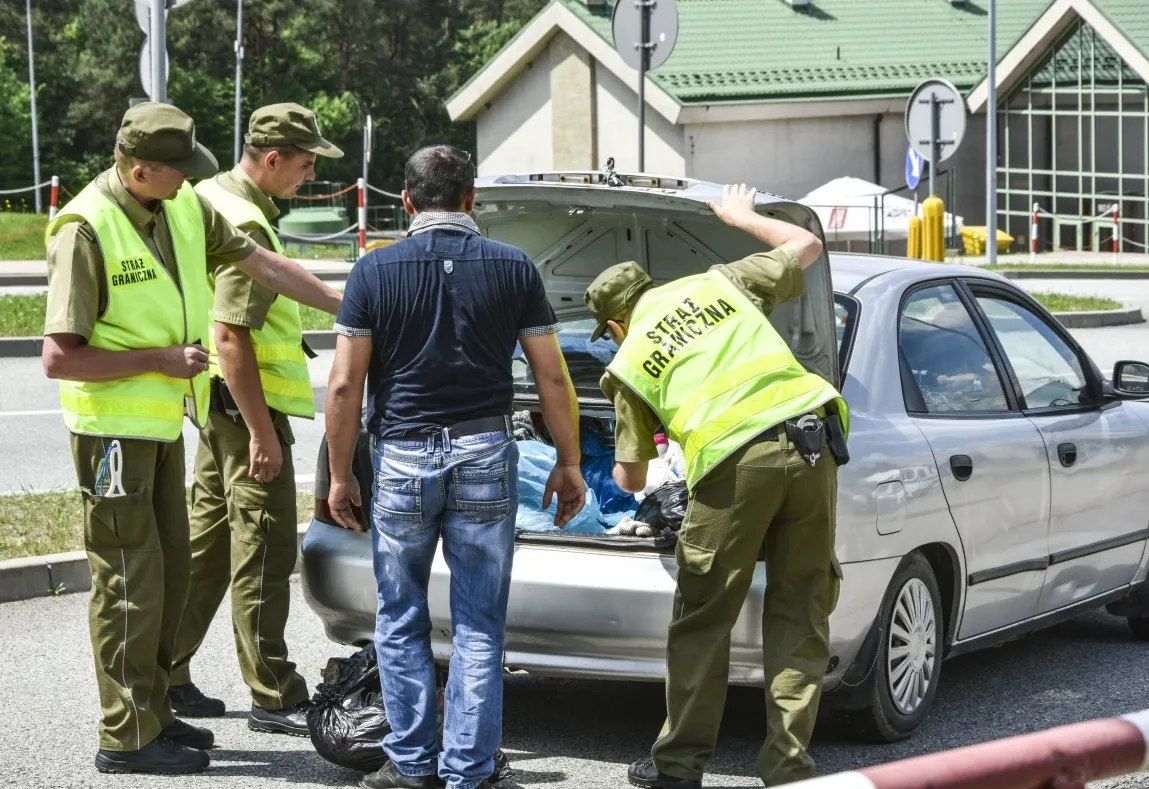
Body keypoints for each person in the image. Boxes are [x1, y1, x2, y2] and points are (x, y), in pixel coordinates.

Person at [40, 102, 342, 776]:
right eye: (177, 172)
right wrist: (160, 360)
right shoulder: (84, 229)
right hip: (110, 436)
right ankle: (126, 734)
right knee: (127, 583)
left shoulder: (180, 207)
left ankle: (156, 711)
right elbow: (59, 358)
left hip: (159, 427)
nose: (188, 183)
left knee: (171, 575)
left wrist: (355, 306)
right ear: (137, 166)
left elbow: (262, 264)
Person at [324, 144, 586, 789]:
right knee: (478, 619)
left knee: (401, 613)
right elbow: (552, 375)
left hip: (404, 455)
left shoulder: (374, 271)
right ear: (472, 199)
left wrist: (340, 474)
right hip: (484, 450)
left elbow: (343, 387)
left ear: (406, 202)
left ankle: (411, 764)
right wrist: (570, 463)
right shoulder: (514, 268)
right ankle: (470, 769)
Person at [583, 184, 850, 788]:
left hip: (736, 465)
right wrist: (741, 217)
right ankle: (787, 768)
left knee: (703, 619)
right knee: (801, 610)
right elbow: (807, 243)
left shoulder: (626, 364)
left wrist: (633, 451)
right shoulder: (718, 283)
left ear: (616, 322)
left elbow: (631, 477)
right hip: (815, 443)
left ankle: (678, 769)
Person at [167, 103, 344, 736]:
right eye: (303, 165)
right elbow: (233, 337)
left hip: (215, 403)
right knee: (264, 550)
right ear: (272, 159)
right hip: (248, 410)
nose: (308, 178)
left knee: (206, 548)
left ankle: (166, 673)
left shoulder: (213, 194)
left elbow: (283, 277)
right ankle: (275, 693)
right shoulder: (245, 217)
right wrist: (264, 436)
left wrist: (348, 299)